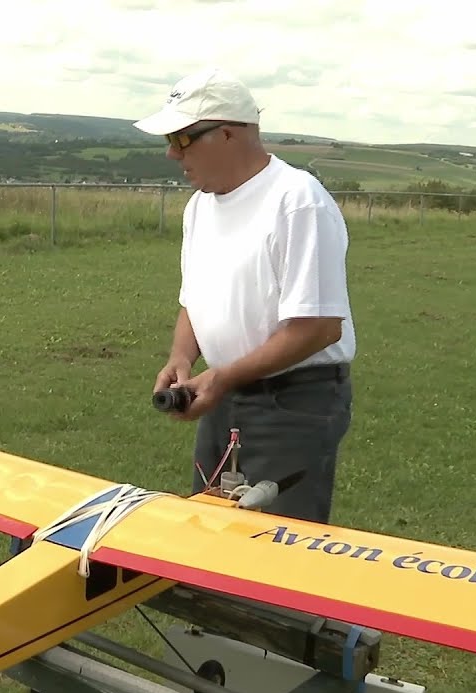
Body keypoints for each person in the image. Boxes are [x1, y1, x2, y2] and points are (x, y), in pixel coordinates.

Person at [134, 66, 356, 524]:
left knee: (276, 542)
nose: (172, 154)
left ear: (229, 134)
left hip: (292, 402)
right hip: (225, 392)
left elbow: (317, 327)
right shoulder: (201, 205)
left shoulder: (297, 200)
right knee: (212, 529)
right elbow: (193, 297)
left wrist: (222, 377)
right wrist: (181, 358)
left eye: (182, 139)